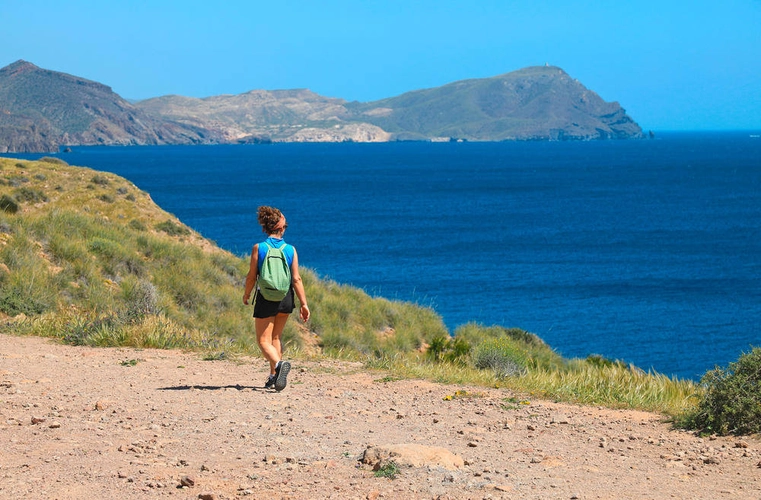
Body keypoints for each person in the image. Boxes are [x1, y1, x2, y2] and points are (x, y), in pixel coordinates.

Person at [243, 206, 309, 391]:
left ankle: (278, 366)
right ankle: (273, 376)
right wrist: (304, 304)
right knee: (276, 338)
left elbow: (251, 276)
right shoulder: (290, 250)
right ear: (281, 228)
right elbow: (296, 278)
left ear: (265, 227)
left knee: (263, 341)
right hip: (285, 297)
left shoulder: (259, 248)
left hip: (266, 297)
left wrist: (247, 294)